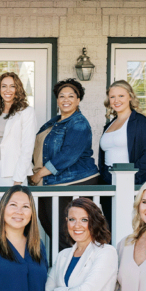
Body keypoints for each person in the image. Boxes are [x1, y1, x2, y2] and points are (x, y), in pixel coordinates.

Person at [33, 79, 98, 246]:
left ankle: (76, 266)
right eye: (62, 96)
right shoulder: (54, 122)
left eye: (71, 96)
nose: (66, 99)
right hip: (51, 182)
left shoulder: (79, 123)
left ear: (78, 100)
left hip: (74, 182)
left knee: (65, 231)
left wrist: (39, 174)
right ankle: (64, 264)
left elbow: (68, 155)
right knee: (50, 226)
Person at [97, 80, 146, 224]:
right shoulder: (109, 125)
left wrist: (131, 177)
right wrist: (105, 177)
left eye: (121, 96)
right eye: (112, 97)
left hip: (132, 184)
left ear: (130, 97)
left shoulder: (141, 122)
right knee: (112, 225)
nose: (116, 100)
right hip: (108, 184)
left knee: (132, 226)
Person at [0, 72, 37, 216]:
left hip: (13, 171)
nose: (7, 90)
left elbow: (28, 147)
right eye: (4, 86)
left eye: (12, 86)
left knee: (13, 214)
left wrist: (18, 180)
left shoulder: (26, 112)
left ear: (18, 89)